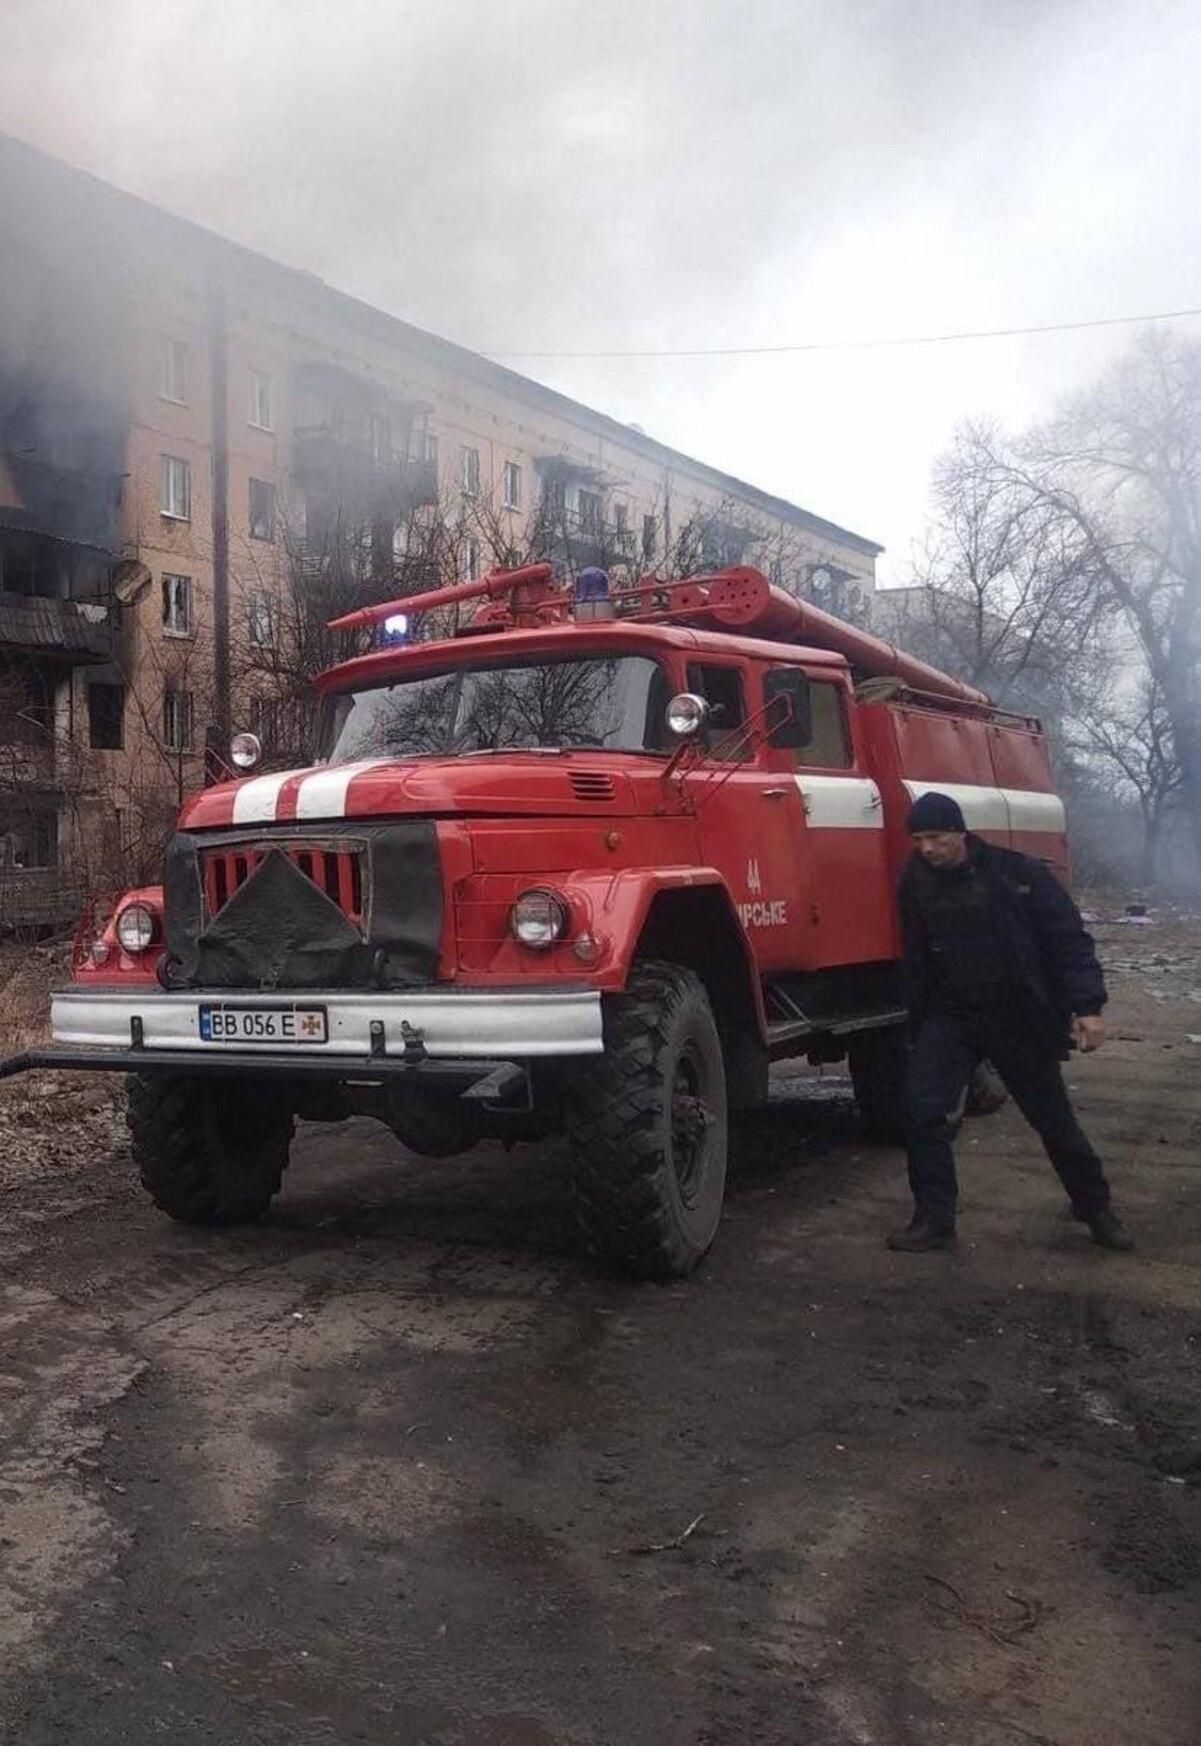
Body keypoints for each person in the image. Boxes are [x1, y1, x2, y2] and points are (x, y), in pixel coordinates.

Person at [888, 791, 1132, 1254]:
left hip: (1015, 1016)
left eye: (936, 838)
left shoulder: (1016, 875)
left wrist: (1087, 1007)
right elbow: (917, 957)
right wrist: (917, 1021)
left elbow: (1068, 942)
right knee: (922, 1114)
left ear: (960, 833)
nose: (927, 849)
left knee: (1052, 1119)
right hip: (951, 1017)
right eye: (918, 839)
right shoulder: (915, 882)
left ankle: (1097, 1208)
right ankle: (933, 1221)